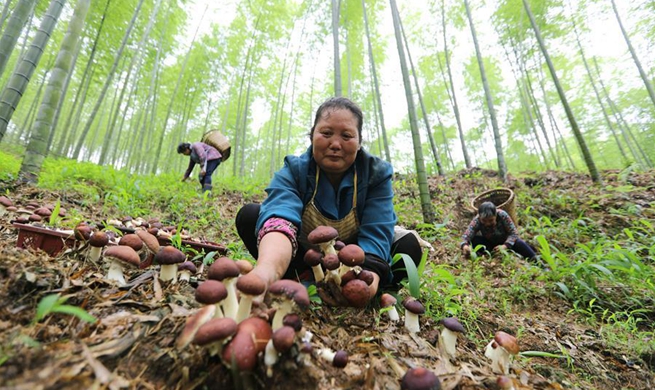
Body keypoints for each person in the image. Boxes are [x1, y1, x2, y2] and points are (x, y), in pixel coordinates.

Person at [235, 97, 423, 307]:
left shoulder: (375, 174)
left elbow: (377, 232)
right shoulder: (295, 170)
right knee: (251, 216)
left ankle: (374, 293)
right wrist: (266, 272)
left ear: (359, 142)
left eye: (347, 136)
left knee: (408, 246)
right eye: (326, 133)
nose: (335, 144)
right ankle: (298, 278)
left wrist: (366, 283)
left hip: (356, 261)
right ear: (312, 135)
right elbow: (279, 218)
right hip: (303, 254)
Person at [460, 201, 536, 260]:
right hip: (490, 243)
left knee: (520, 243)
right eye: (484, 221)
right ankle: (489, 254)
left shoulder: (502, 215)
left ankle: (537, 261)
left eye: (491, 220)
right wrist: (465, 246)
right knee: (474, 239)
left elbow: (513, 233)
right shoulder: (477, 220)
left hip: (506, 242)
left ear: (495, 215)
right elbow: (466, 235)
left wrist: (505, 246)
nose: (487, 224)